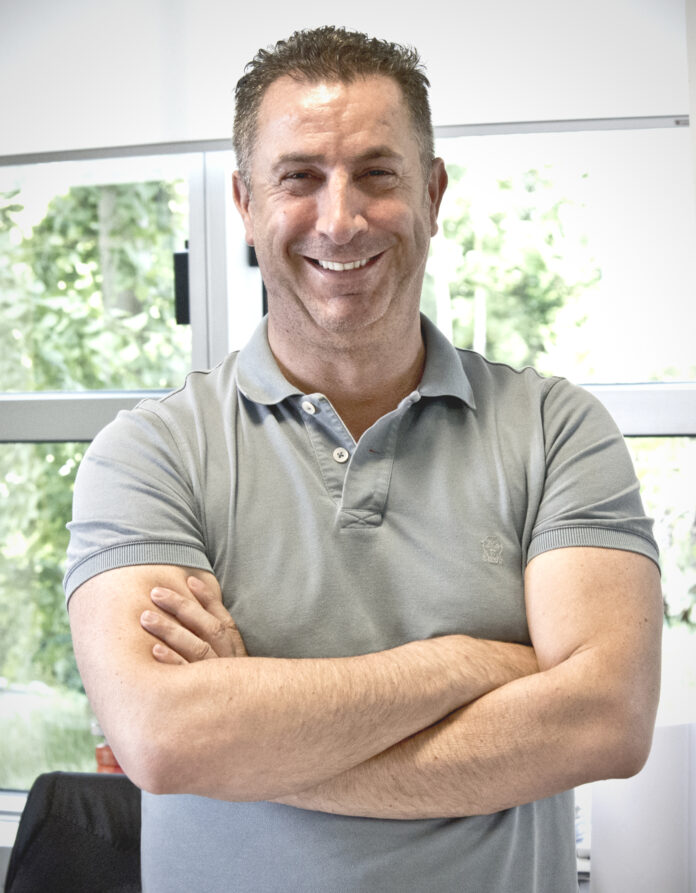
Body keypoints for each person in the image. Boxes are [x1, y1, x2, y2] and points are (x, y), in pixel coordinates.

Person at [65, 25, 662, 893]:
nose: (340, 220)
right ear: (244, 202)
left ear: (433, 193)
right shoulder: (151, 454)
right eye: (299, 177)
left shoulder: (556, 430)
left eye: (377, 174)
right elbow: (164, 740)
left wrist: (255, 735)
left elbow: (605, 721)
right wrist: (472, 663)